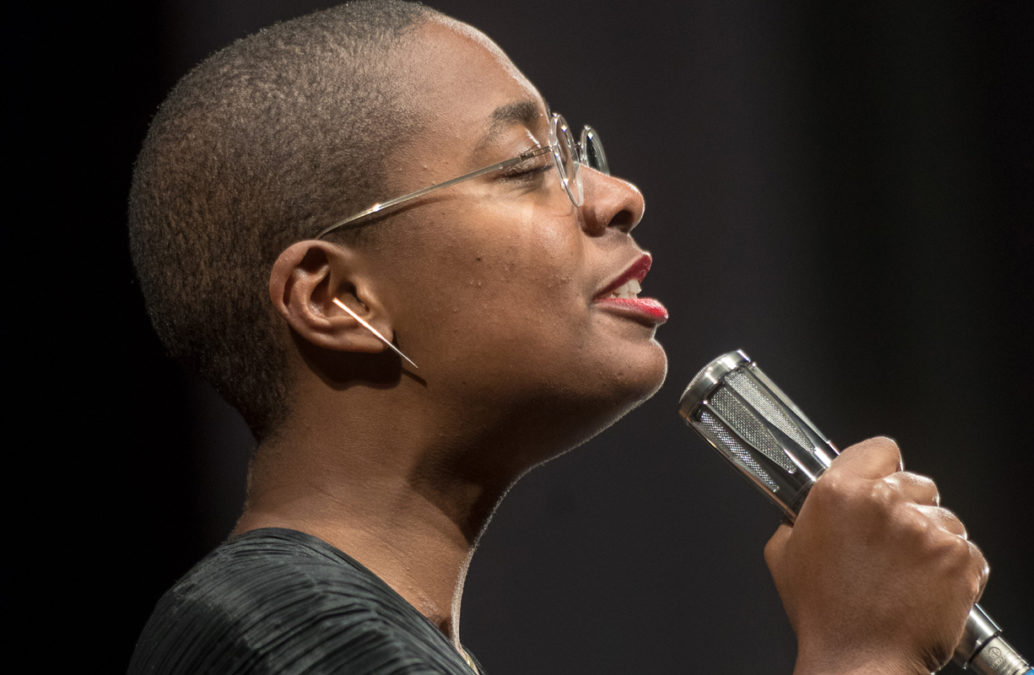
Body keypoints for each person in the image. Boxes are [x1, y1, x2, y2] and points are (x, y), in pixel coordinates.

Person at [128, 1, 988, 673]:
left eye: (576, 152)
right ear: (339, 297)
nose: (617, 195)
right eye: (523, 166)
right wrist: (862, 653)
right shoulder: (273, 633)